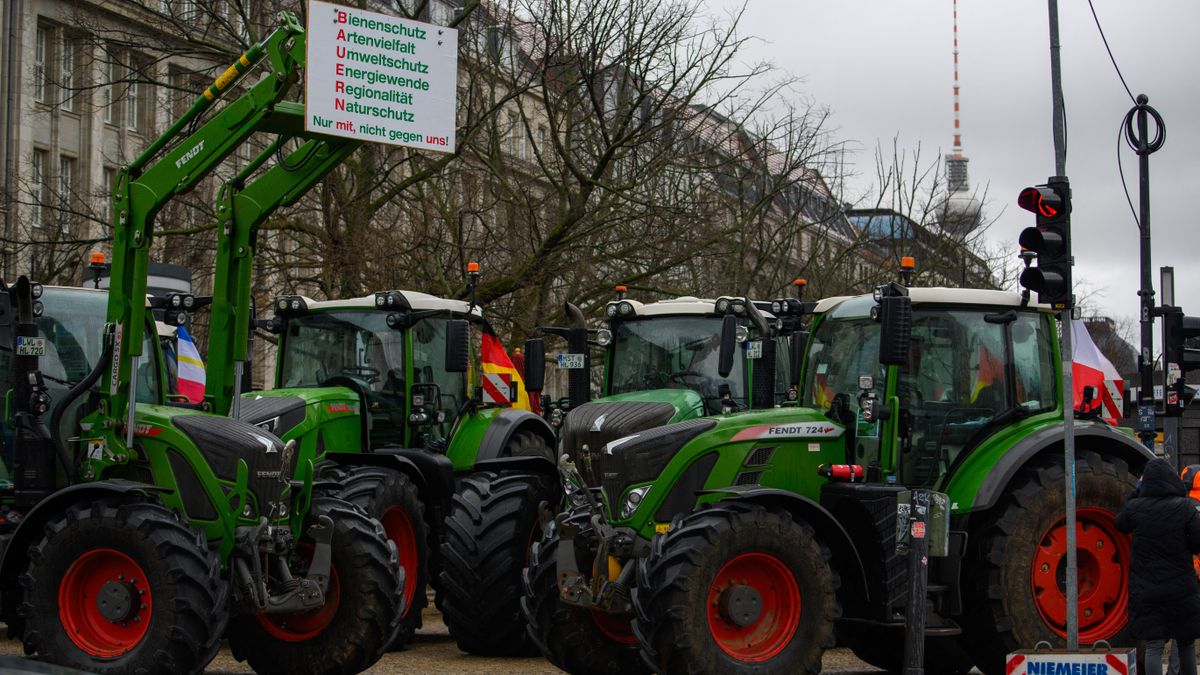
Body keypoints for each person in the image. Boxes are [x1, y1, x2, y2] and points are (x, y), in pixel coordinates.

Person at [1115, 458, 1200, 675]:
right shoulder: (1186, 507)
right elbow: (1197, 543)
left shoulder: (1135, 508)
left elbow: (1120, 524)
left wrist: (1137, 491)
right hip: (1181, 586)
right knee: (1185, 642)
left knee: (1154, 646)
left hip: (1148, 587)